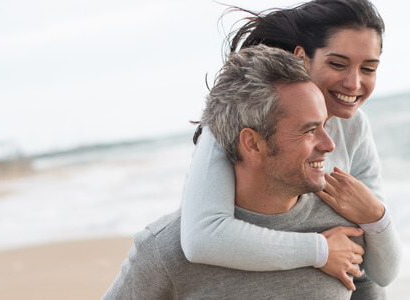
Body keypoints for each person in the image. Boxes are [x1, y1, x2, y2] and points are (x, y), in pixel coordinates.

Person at [104, 45, 381, 299]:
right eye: (309, 131)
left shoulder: (341, 229)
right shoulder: (165, 251)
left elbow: (370, 286)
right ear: (253, 143)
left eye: (324, 126)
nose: (329, 144)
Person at [180, 0, 401, 294]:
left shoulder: (354, 127)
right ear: (301, 58)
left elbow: (382, 272)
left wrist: (376, 215)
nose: (354, 82)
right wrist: (320, 250)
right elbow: (202, 238)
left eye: (369, 68)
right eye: (337, 64)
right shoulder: (242, 123)